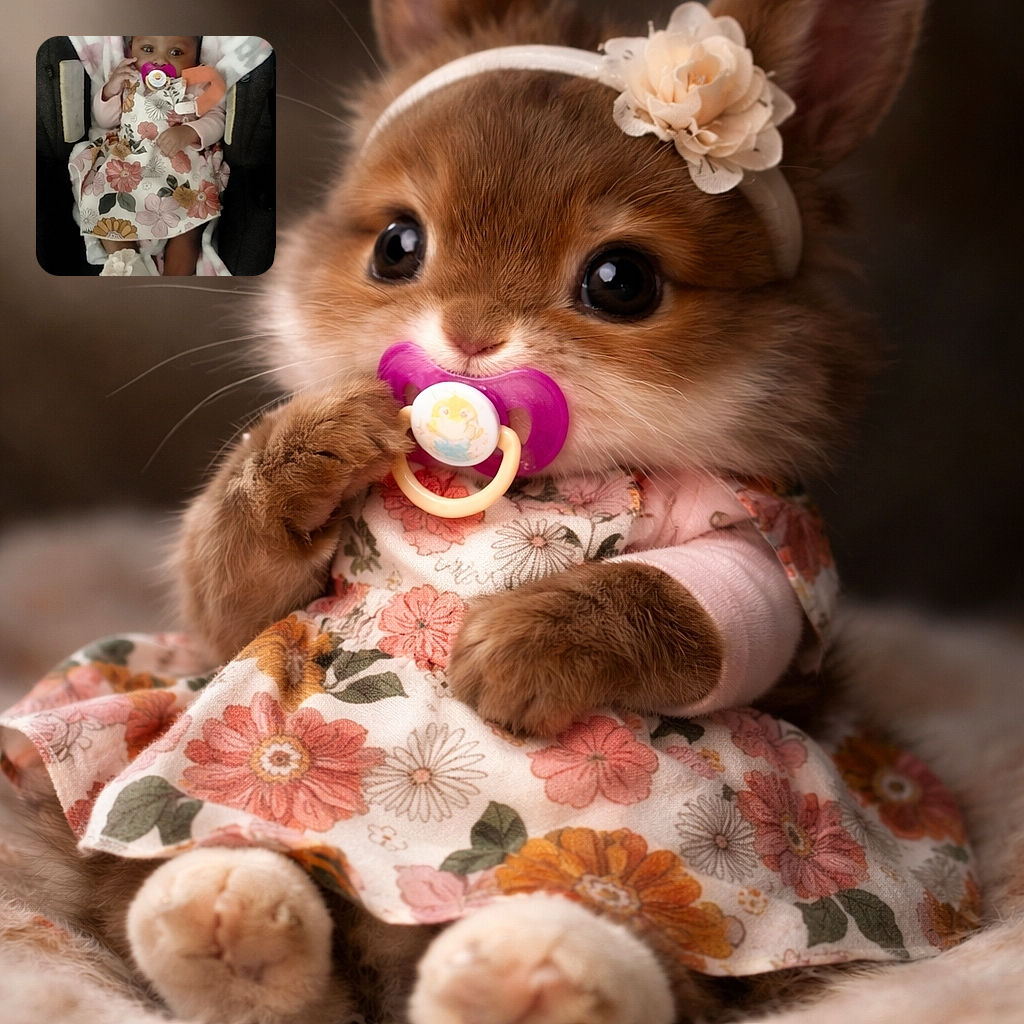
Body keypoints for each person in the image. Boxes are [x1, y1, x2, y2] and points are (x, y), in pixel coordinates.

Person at [70, 36, 227, 276]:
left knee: (189, 225)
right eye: (147, 49)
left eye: (176, 52)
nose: (159, 59)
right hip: (128, 162)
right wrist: (110, 90)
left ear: (195, 58)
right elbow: (105, 120)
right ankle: (129, 266)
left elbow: (216, 119)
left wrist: (190, 131)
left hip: (179, 167)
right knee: (103, 205)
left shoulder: (197, 84)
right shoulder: (128, 78)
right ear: (130, 49)